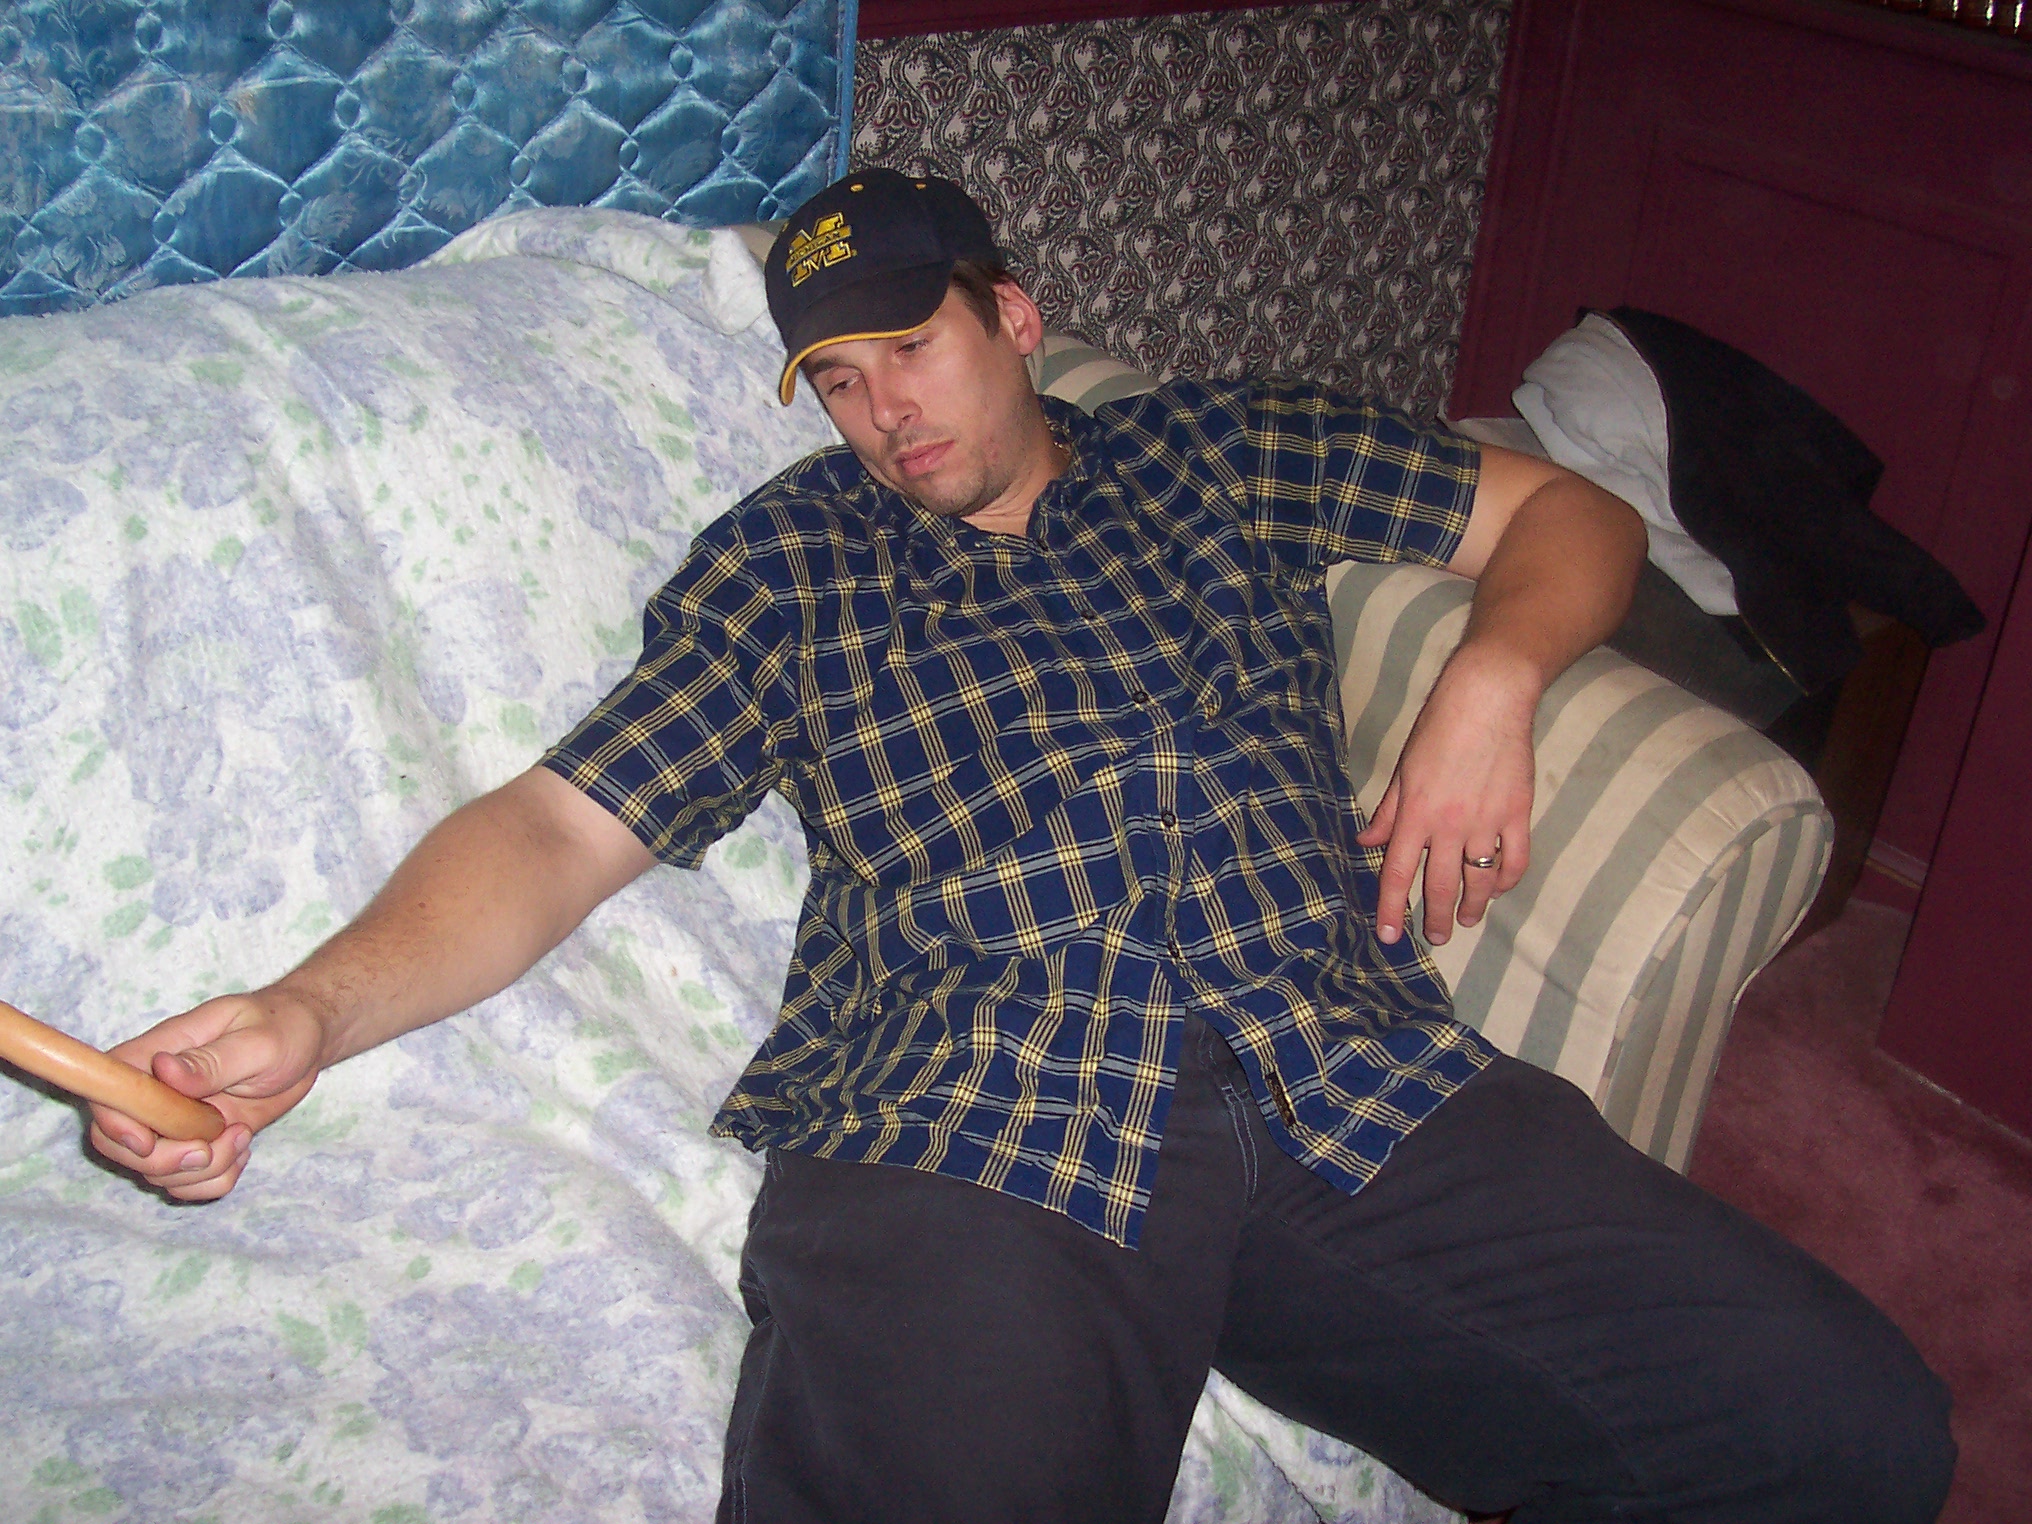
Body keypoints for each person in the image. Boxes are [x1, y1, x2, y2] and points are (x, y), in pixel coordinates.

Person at [90, 169, 1952, 1524]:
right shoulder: (790, 562)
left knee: (1851, 1430)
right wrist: (311, 1015)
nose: (883, 412)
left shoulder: (1219, 449)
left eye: (911, 345)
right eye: (836, 377)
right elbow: (557, 828)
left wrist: (1495, 676)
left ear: (1017, 318)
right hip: (986, 1109)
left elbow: (1569, 518)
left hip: (1345, 1066)